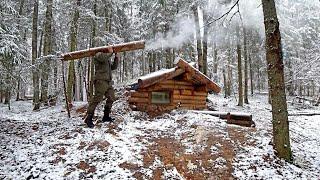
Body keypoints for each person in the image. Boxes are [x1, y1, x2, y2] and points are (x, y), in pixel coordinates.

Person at [84, 51, 119, 128]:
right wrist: (110, 52)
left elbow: (113, 67)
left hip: (108, 82)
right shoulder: (98, 54)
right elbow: (103, 58)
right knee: (97, 99)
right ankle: (88, 118)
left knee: (111, 97)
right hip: (100, 81)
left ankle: (106, 116)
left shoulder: (107, 58)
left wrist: (116, 57)